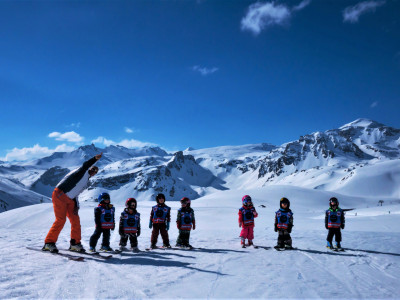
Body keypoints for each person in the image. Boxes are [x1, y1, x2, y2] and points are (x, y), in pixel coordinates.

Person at [43, 153, 102, 253]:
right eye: (93, 169)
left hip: (70, 199)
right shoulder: (81, 172)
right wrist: (94, 159)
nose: (93, 172)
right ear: (90, 168)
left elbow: (76, 193)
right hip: (60, 194)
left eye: (95, 171)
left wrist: (76, 206)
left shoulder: (86, 181)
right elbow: (85, 165)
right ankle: (49, 243)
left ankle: (75, 243)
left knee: (75, 220)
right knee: (61, 220)